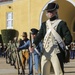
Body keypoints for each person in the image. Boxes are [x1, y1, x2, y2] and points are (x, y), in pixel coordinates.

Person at [29, 2, 72, 75]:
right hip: (45, 52)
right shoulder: (44, 24)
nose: (49, 13)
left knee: (59, 73)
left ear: (55, 11)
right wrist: (33, 45)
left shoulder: (61, 23)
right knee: (44, 72)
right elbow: (39, 36)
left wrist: (63, 46)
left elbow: (68, 37)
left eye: (51, 11)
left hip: (56, 52)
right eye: (48, 11)